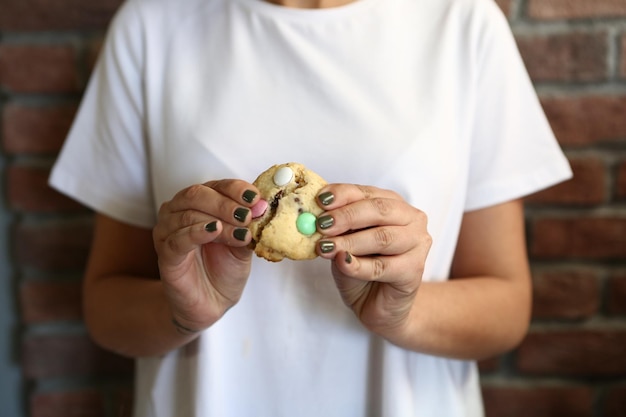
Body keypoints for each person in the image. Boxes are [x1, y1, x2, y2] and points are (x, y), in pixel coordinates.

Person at [49, 0, 572, 415]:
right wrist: (180, 314)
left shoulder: (463, 24)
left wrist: (404, 314)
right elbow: (105, 302)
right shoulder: (152, 25)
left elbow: (507, 308)